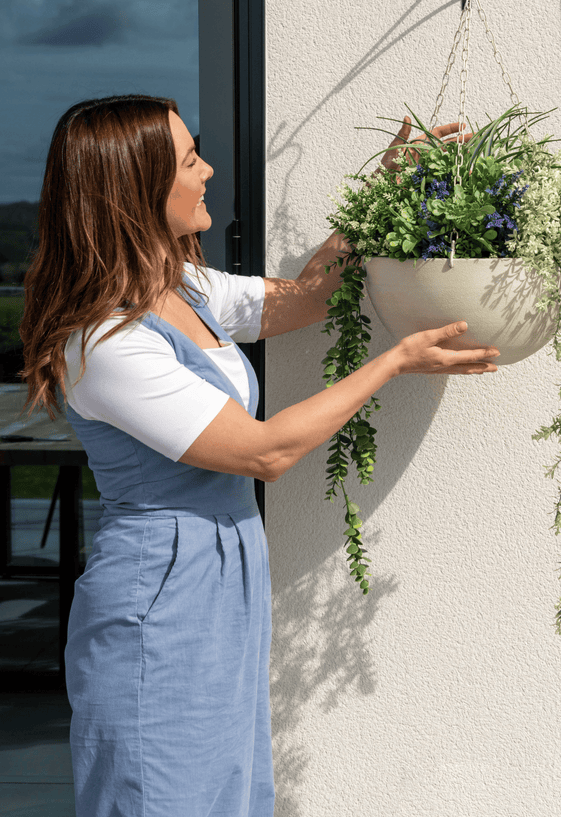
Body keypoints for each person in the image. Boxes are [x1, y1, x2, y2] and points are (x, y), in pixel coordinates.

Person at [18, 94, 500, 817]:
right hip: (162, 591)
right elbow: (265, 452)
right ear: (136, 184)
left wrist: (384, 185)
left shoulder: (184, 289)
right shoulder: (106, 342)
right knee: (162, 794)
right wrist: (393, 362)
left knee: (224, 794)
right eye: (188, 159)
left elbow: (308, 296)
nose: (208, 169)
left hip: (221, 577)